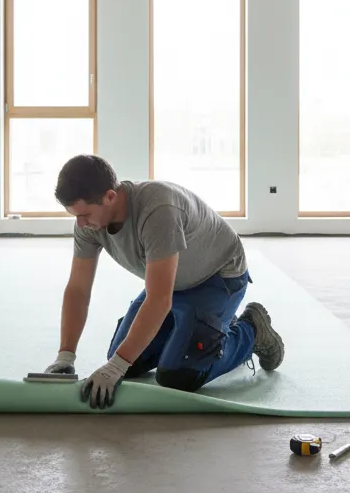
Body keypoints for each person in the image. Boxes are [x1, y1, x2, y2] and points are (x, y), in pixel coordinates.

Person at [44, 154, 284, 409]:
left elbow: (159, 299)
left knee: (178, 374)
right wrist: (65, 355)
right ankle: (206, 326)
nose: (80, 224)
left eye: (85, 214)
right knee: (128, 362)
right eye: (75, 216)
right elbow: (78, 289)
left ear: (110, 197)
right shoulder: (88, 224)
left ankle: (251, 330)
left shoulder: (158, 210)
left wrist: (116, 366)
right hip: (173, 283)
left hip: (217, 277)